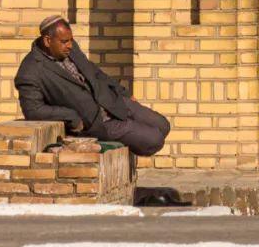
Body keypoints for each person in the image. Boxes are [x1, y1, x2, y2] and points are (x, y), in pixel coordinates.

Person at [14, 14, 171, 159]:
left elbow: (94, 71)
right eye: (64, 42)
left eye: (71, 40)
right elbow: (33, 110)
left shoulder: (69, 48)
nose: (70, 45)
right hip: (98, 122)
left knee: (163, 125)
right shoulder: (30, 71)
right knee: (154, 140)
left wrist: (122, 92)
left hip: (112, 101)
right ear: (48, 41)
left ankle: (132, 138)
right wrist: (71, 116)